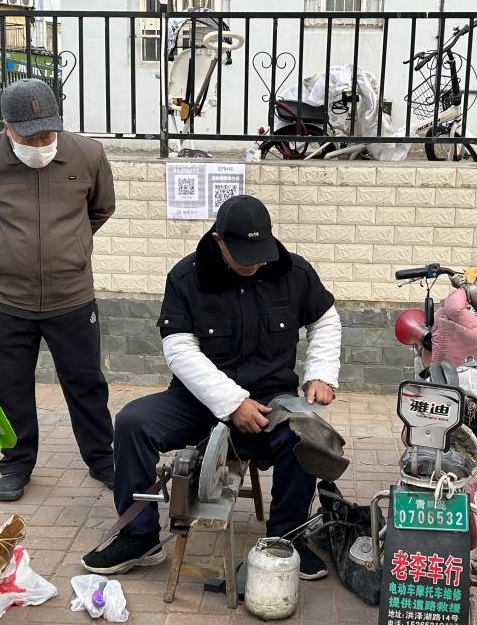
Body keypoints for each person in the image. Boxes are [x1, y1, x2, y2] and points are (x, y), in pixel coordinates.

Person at [82, 195, 342, 578]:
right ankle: (140, 538)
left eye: (260, 252)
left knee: (308, 433)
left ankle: (286, 538)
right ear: (219, 241)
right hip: (198, 401)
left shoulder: (293, 271)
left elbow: (325, 320)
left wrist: (320, 373)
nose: (254, 263)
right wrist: (231, 401)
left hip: (272, 401)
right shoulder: (187, 278)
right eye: (243, 254)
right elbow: (179, 349)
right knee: (133, 422)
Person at [0, 79, 116, 502]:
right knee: (9, 385)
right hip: (4, 299)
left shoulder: (88, 154)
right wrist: (1, 250)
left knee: (86, 381)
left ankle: (102, 457)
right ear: (6, 126)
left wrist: (71, 248)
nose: (42, 142)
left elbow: (101, 208)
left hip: (72, 296)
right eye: (30, 135)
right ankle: (16, 464)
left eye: (48, 133)